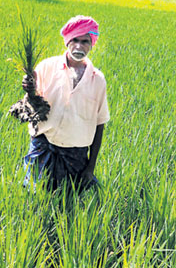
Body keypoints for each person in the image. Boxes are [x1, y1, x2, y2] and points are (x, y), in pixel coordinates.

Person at [22, 15, 110, 192]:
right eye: (75, 40)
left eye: (85, 41)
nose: (79, 46)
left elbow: (99, 124)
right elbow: (31, 105)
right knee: (35, 196)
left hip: (75, 154)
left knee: (70, 203)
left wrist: (90, 167)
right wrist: (28, 89)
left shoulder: (97, 80)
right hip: (43, 145)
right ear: (67, 41)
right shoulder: (46, 67)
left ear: (92, 45)